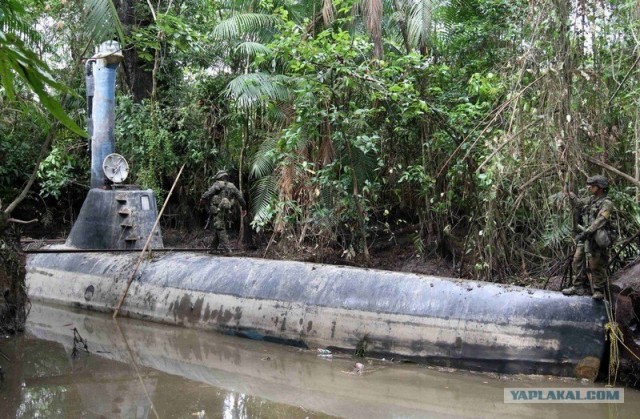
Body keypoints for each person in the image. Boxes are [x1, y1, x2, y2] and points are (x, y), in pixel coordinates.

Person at [562, 175, 614, 300]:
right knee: (577, 260)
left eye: (592, 186)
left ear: (600, 187)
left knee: (596, 263)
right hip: (586, 236)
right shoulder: (591, 199)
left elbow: (600, 220)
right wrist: (571, 194)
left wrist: (587, 232)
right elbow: (579, 203)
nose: (589, 188)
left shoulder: (607, 203)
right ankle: (577, 286)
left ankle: (598, 290)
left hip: (596, 237)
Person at [200, 170, 247, 252]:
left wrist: (202, 200)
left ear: (219, 177)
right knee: (219, 227)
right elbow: (240, 198)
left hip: (217, 210)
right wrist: (244, 208)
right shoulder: (232, 186)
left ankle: (228, 250)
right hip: (227, 211)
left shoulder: (217, 184)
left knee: (220, 228)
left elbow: (207, 194)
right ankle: (213, 249)